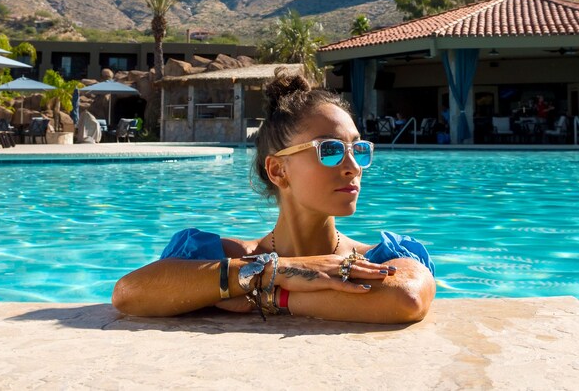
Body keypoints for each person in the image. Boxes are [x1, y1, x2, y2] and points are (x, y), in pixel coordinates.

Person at [112, 71, 436, 323]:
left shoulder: (383, 259)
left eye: (358, 149)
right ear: (279, 171)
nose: (353, 167)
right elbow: (130, 294)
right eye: (331, 150)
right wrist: (274, 271)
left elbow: (406, 298)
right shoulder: (208, 253)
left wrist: (269, 297)